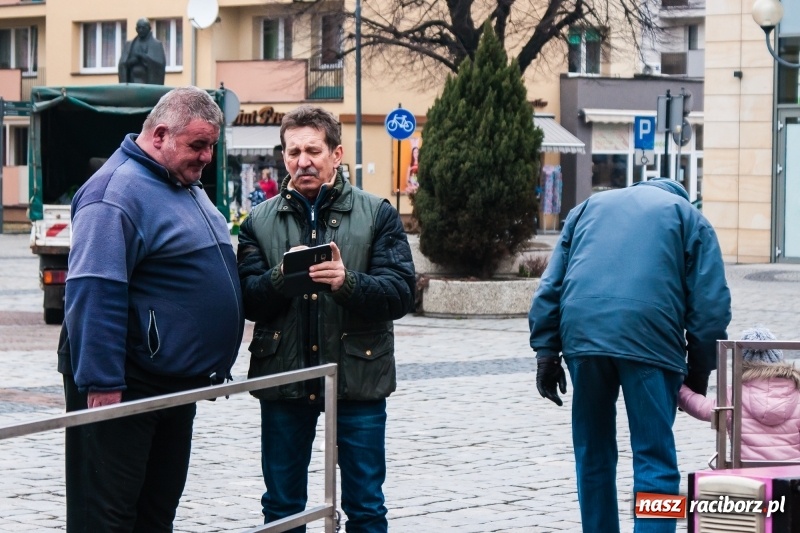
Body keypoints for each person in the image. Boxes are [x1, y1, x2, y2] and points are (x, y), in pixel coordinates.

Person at [60, 86, 244, 532]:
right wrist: (101, 385)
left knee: (156, 509)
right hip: (126, 383)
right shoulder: (114, 191)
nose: (206, 156)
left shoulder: (182, 181)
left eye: (211, 146)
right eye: (197, 145)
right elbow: (93, 291)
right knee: (107, 514)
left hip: (173, 383)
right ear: (160, 135)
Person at [237, 104, 415, 532]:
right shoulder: (257, 222)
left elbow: (401, 293)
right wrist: (282, 277)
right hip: (285, 380)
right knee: (281, 507)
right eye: (293, 151)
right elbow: (246, 301)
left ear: (336, 155)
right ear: (283, 157)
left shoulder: (378, 213)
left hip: (357, 378)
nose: (303, 161)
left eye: (313, 150)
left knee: (367, 506)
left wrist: (347, 282)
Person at [528, 177, 731, 533]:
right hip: (650, 340)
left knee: (592, 449)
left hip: (584, 334)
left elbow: (551, 284)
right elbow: (710, 307)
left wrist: (546, 352)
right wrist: (697, 374)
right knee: (655, 458)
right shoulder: (689, 216)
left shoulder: (587, 209)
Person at [679, 326, 800, 462]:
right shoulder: (797, 393)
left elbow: (701, 408)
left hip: (748, 476)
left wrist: (678, 387)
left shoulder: (735, 393)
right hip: (791, 475)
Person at [118, 18, 166, 84]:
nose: (141, 30)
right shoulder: (130, 44)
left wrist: (143, 57)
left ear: (149, 28)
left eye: (143, 28)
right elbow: (123, 64)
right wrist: (131, 62)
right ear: (136, 29)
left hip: (147, 80)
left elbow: (159, 64)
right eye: (139, 28)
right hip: (132, 80)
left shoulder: (156, 45)